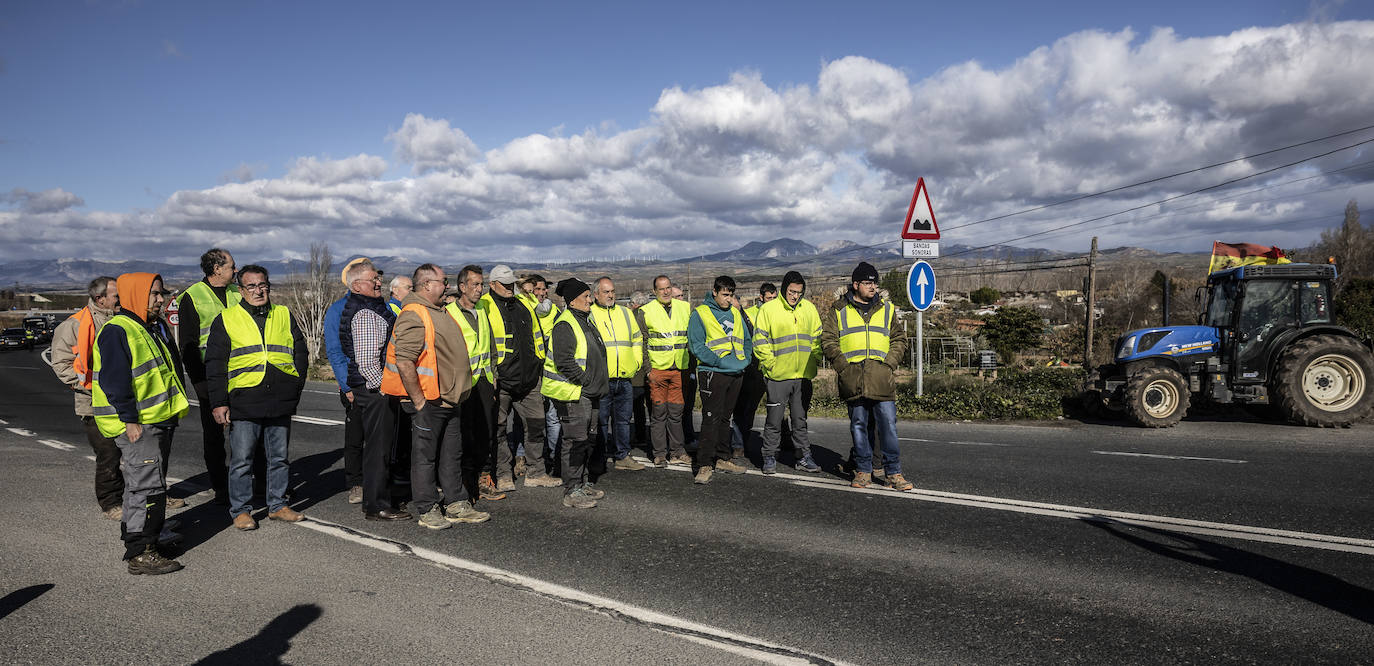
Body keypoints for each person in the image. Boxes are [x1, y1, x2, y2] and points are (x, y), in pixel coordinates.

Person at [92, 272, 190, 575]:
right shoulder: (118, 330)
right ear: (136, 294)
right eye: (155, 294)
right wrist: (130, 420)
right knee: (146, 489)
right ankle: (141, 551)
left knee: (145, 485)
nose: (161, 300)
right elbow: (115, 380)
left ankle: (145, 539)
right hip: (139, 425)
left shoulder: (147, 327)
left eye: (161, 294)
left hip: (156, 420)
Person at [382, 263, 489, 529]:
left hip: (449, 399)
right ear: (427, 285)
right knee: (425, 455)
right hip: (429, 400)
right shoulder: (414, 313)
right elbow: (405, 360)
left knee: (451, 453)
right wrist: (419, 400)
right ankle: (427, 507)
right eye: (444, 281)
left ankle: (455, 502)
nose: (448, 286)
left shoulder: (436, 310)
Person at [204, 265, 310, 529]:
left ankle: (278, 505)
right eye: (251, 286)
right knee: (242, 460)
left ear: (269, 287)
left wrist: (295, 385)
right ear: (240, 290)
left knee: (279, 457)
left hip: (279, 397)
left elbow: (300, 353)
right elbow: (215, 364)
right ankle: (240, 510)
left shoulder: (284, 314)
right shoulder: (227, 318)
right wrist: (219, 402)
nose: (258, 291)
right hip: (244, 399)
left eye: (262, 285)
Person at [821, 262, 913, 491]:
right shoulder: (839, 309)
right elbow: (828, 340)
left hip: (881, 379)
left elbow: (899, 339)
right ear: (855, 285)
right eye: (868, 283)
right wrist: (843, 367)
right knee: (859, 425)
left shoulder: (887, 308)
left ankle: (894, 473)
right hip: (853, 379)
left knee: (888, 426)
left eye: (875, 283)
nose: (873, 287)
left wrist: (889, 364)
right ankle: (863, 471)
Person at [478, 265, 561, 490]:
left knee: (536, 426)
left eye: (511, 284)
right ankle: (503, 475)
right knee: (500, 430)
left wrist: (538, 365)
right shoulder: (483, 306)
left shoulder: (524, 304)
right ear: (492, 284)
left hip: (529, 380)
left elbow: (537, 336)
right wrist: (493, 374)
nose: (509, 288)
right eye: (504, 284)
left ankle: (536, 472)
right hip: (501, 380)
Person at [340, 260, 410, 521]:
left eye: (379, 279)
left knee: (380, 448)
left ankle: (380, 499)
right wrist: (384, 389)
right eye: (373, 280)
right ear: (357, 285)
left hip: (374, 389)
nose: (379, 282)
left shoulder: (370, 306)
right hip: (375, 390)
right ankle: (376, 505)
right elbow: (368, 360)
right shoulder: (366, 313)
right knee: (378, 449)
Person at [50, 276, 124, 519]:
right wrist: (91, 385)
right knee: (109, 455)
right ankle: (111, 503)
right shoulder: (75, 325)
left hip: (125, 399)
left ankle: (145, 497)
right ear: (100, 299)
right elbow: (61, 364)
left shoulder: (124, 319)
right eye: (115, 295)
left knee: (138, 453)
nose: (120, 299)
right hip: (92, 403)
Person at [176, 248, 239, 505]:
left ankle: (247, 482)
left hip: (241, 376)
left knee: (246, 434)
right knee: (214, 437)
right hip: (210, 377)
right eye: (232, 266)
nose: (236, 270)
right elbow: (188, 345)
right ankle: (221, 486)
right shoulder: (192, 296)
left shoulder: (237, 292)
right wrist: (200, 383)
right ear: (217, 269)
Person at [542, 278, 609, 508]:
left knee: (587, 440)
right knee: (575, 441)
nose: (590, 300)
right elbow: (564, 362)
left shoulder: (585, 320)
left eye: (590, 296)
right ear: (572, 301)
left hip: (589, 393)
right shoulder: (565, 324)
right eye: (586, 297)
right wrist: (586, 381)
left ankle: (581, 484)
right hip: (574, 393)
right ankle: (572, 490)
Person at [752, 271, 823, 474]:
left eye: (799, 293)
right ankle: (769, 456)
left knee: (800, 420)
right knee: (774, 420)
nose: (795, 296)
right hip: (778, 376)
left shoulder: (809, 309)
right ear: (784, 289)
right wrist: (771, 364)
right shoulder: (769, 309)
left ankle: (803, 456)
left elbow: (817, 336)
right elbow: (760, 340)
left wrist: (815, 358)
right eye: (792, 292)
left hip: (803, 375)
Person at [686, 276, 752, 484]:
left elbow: (747, 340)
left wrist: (745, 361)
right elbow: (696, 345)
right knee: (711, 417)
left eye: (731, 295)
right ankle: (704, 464)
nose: (728, 299)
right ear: (714, 292)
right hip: (713, 373)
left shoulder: (735, 312)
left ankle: (723, 457)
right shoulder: (700, 314)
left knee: (726, 417)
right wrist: (719, 362)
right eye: (724, 294)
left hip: (736, 372)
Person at [450, 266, 505, 502]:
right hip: (461, 383)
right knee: (463, 434)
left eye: (481, 285)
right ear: (462, 287)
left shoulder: (482, 310)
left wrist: (493, 378)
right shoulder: (449, 313)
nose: (479, 289)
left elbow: (490, 347)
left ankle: (483, 479)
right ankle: (464, 482)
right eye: (474, 285)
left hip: (483, 380)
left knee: (486, 433)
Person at [324, 257, 371, 505]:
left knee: (380, 436)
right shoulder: (337, 310)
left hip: (379, 383)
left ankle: (377, 479)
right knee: (356, 435)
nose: (376, 280)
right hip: (355, 383)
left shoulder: (378, 307)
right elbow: (334, 351)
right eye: (371, 276)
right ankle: (356, 482)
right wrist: (347, 385)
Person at [589, 277, 644, 471]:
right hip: (603, 379)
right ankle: (599, 457)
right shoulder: (590, 314)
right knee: (601, 421)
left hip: (625, 378)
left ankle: (623, 456)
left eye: (612, 291)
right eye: (606, 292)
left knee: (623, 420)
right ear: (596, 294)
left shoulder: (625, 313)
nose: (611, 295)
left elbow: (637, 338)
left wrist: (636, 362)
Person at [639, 275, 692, 467]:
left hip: (679, 369)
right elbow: (642, 343)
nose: (666, 291)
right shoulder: (646, 311)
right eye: (661, 289)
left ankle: (677, 451)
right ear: (654, 292)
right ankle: (660, 453)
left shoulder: (684, 308)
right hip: (658, 371)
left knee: (677, 413)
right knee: (659, 414)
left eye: (668, 287)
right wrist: (648, 370)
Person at [519, 273, 562, 476]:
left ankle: (553, 457)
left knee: (552, 416)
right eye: (537, 289)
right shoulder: (524, 310)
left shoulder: (554, 310)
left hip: (550, 370)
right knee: (528, 419)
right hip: (530, 372)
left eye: (545, 289)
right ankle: (523, 457)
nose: (542, 293)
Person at [732, 282, 776, 458]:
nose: (772, 301)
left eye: (774, 298)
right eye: (769, 298)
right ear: (761, 298)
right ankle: (738, 444)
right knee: (743, 408)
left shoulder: (779, 314)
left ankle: (783, 445)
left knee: (776, 410)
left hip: (773, 368)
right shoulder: (750, 315)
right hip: (752, 368)